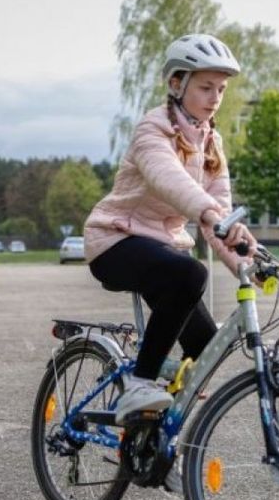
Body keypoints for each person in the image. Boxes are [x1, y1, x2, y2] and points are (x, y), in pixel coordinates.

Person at [84, 33, 256, 422]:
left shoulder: (212, 143)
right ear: (176, 84)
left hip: (161, 250)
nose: (215, 98)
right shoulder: (153, 130)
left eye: (222, 89)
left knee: (207, 347)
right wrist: (209, 214)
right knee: (190, 272)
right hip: (116, 240)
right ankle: (140, 384)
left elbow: (221, 216)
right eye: (205, 87)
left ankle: (154, 439)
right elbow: (169, 180)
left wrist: (251, 262)